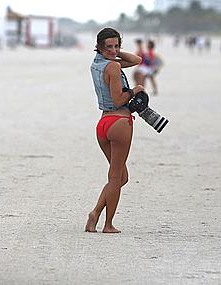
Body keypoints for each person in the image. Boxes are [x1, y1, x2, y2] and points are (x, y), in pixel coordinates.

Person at [86, 28, 144, 233]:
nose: (113, 50)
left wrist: (112, 53)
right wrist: (135, 90)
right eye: (108, 47)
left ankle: (95, 213)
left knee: (121, 178)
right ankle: (107, 224)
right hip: (119, 122)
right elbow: (119, 99)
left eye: (116, 46)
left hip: (103, 124)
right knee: (115, 177)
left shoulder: (98, 64)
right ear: (99, 47)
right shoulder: (112, 67)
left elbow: (136, 59)